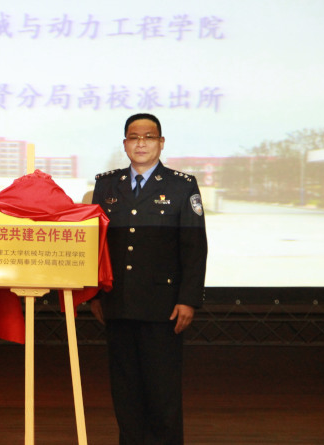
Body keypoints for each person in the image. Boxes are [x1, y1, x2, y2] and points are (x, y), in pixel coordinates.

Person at [91, 113, 207, 444]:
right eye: (134, 137)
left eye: (149, 137)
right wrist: (95, 295)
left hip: (163, 307)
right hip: (118, 303)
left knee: (162, 392)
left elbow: (194, 247)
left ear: (161, 142)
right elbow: (95, 245)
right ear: (125, 143)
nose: (141, 143)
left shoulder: (181, 185)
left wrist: (188, 299)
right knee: (125, 391)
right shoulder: (106, 185)